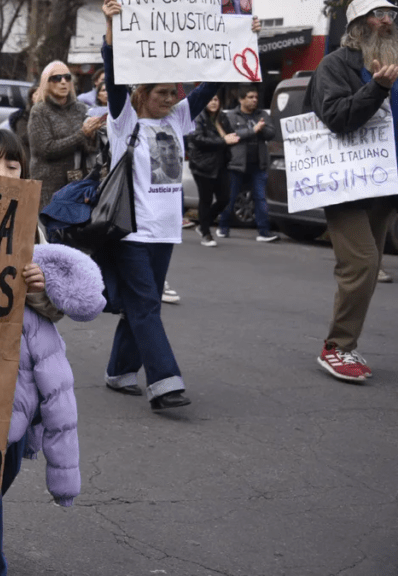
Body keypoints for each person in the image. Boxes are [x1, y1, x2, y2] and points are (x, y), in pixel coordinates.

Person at [0, 129, 105, 576]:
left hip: (21, 381)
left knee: (1, 475)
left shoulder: (32, 226)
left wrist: (40, 287)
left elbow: (60, 308)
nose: (1, 173)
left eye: (12, 166)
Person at [98, 0, 261, 408]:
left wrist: (244, 36)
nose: (170, 99)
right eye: (161, 93)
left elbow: (211, 81)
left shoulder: (177, 119)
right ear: (143, 93)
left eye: (173, 93)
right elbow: (115, 75)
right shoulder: (124, 122)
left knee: (141, 304)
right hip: (131, 231)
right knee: (148, 305)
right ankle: (165, 382)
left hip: (167, 231)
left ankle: (119, 371)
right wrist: (110, 27)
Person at [305, 0, 398, 382]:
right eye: (380, 15)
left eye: (393, 15)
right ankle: (338, 348)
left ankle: (347, 343)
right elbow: (337, 117)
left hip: (385, 186)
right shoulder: (336, 65)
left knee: (372, 266)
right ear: (358, 23)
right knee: (360, 263)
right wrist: (376, 89)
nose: (389, 21)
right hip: (346, 185)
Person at [28, 61, 104, 211]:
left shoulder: (80, 108)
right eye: (56, 78)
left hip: (78, 182)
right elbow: (46, 149)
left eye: (67, 77)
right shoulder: (40, 111)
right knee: (54, 232)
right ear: (46, 82)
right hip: (50, 186)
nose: (63, 82)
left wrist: (93, 134)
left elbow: (91, 149)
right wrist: (82, 134)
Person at [219, 85, 279, 242]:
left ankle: (264, 232)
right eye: (251, 97)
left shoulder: (262, 114)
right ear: (241, 99)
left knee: (260, 198)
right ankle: (223, 228)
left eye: (256, 97)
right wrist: (254, 130)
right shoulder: (231, 116)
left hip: (258, 165)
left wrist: (261, 129)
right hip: (236, 164)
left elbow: (271, 133)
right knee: (230, 197)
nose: (254, 100)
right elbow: (232, 134)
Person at [187, 94, 237, 247]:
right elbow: (198, 139)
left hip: (221, 163)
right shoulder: (197, 117)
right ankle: (206, 234)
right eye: (210, 99)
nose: (213, 102)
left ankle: (203, 224)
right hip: (202, 165)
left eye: (216, 99)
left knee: (224, 199)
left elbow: (231, 135)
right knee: (206, 199)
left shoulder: (221, 117)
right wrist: (223, 141)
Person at [7, 84, 38, 173]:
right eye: (36, 94)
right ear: (31, 98)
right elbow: (25, 136)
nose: (40, 97)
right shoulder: (22, 116)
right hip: (28, 160)